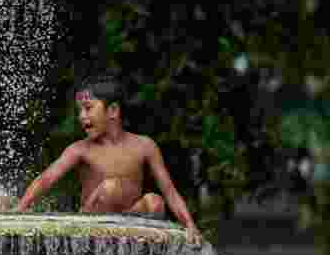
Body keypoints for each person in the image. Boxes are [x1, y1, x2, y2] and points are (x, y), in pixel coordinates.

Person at [14, 75, 203, 245]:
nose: (81, 116)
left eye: (88, 108)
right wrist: (20, 210)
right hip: (91, 225)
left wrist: (189, 224)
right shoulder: (80, 150)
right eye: (79, 110)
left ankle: (127, 247)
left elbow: (169, 191)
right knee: (111, 188)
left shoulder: (145, 146)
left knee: (155, 201)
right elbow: (46, 179)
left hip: (127, 222)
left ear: (112, 110)